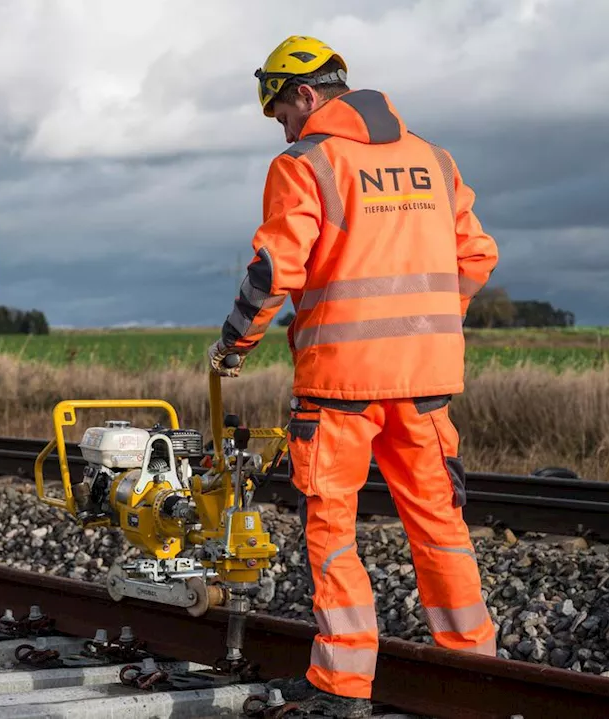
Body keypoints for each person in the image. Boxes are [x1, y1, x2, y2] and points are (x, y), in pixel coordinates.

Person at [206, 35, 500, 718]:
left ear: (306, 95)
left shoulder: (305, 164)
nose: (282, 126)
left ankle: (342, 685)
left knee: (331, 527)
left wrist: (234, 344)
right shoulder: (434, 160)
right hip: (426, 382)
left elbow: (276, 270)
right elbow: (478, 256)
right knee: (439, 523)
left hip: (339, 386)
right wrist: (430, 323)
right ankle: (473, 666)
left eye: (281, 111)